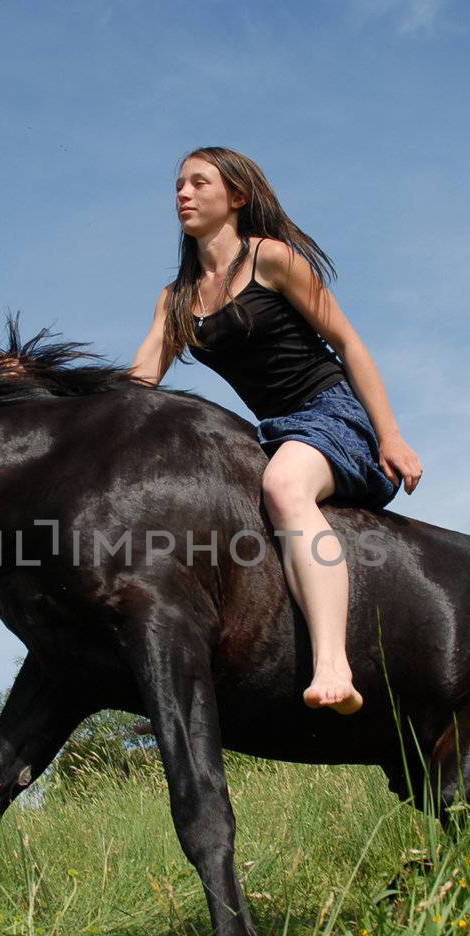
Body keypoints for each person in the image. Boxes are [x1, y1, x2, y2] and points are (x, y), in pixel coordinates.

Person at [127, 147, 423, 715]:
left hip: (333, 413)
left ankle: (334, 663)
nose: (182, 194)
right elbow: (139, 383)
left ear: (236, 197)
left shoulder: (271, 259)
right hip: (275, 433)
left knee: (284, 488)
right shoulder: (178, 299)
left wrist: (391, 436)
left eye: (198, 183)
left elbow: (348, 343)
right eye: (179, 185)